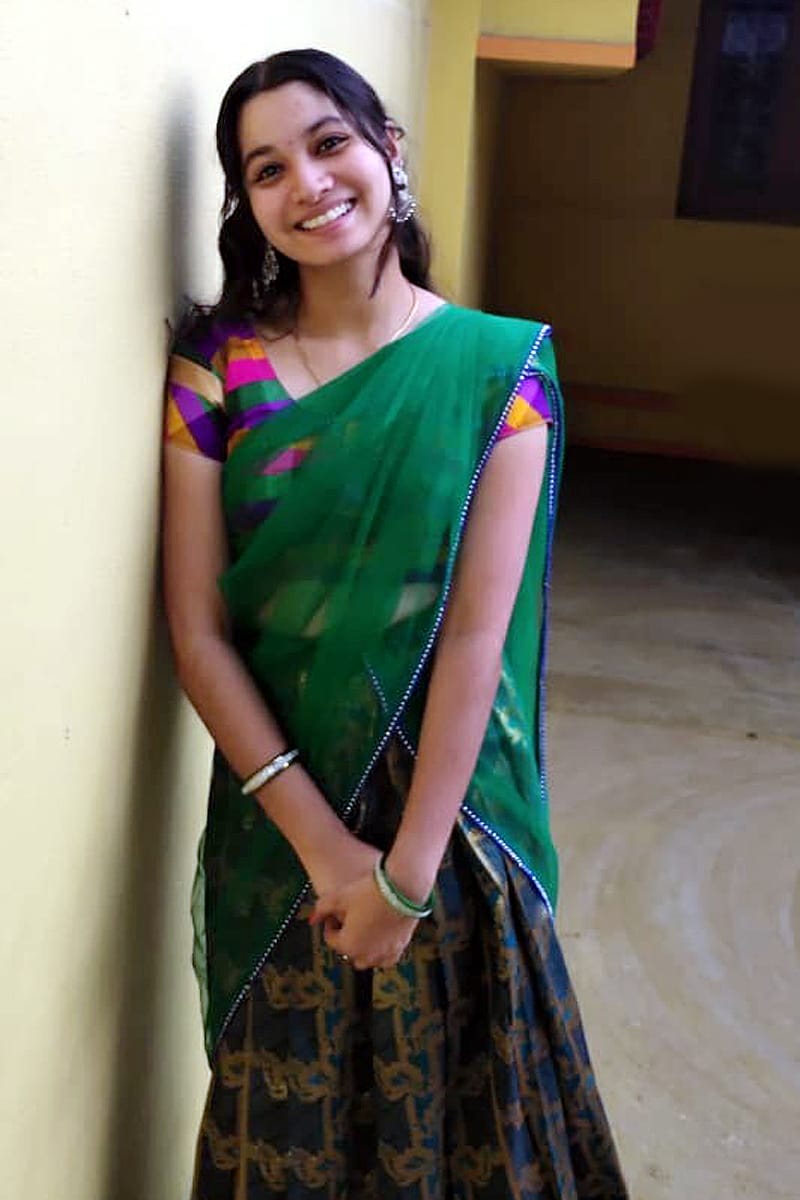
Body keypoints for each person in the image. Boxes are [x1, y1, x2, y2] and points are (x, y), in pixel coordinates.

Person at [163, 47, 628, 1200]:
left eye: (329, 143)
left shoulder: (496, 371)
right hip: (287, 824)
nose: (308, 184)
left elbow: (473, 637)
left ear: (388, 149)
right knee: (287, 1135)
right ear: (245, 204)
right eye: (267, 169)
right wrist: (328, 854)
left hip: (449, 825)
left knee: (468, 1137)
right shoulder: (218, 370)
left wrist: (405, 882)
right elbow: (198, 629)